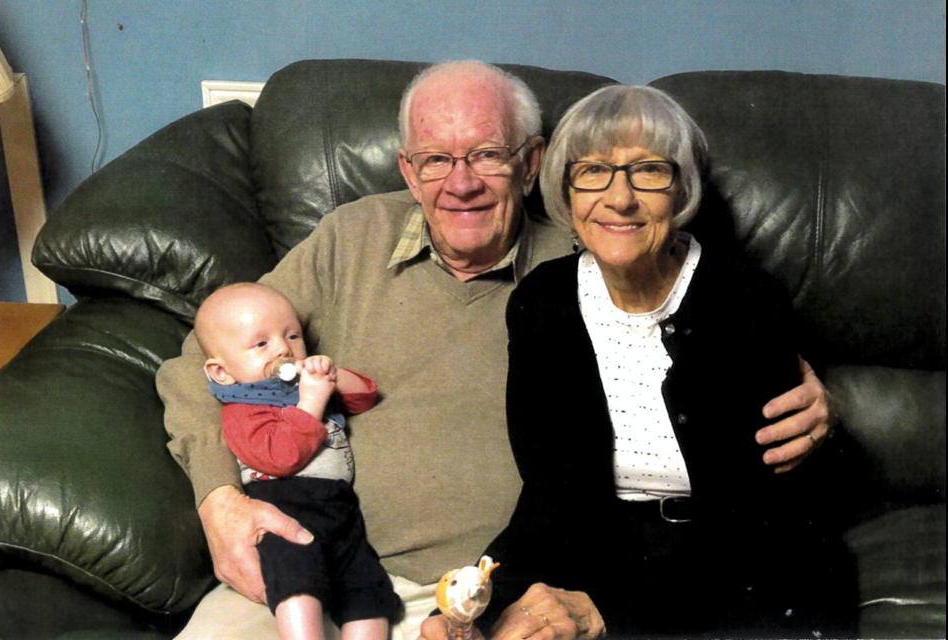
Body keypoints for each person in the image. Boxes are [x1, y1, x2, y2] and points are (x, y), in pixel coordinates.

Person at [156, 61, 837, 640]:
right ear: (406, 169)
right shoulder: (349, 239)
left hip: (489, 591)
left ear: (532, 163)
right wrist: (219, 498)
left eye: (486, 153)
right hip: (312, 564)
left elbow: (705, 346)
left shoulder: (587, 255)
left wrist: (804, 384)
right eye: (434, 159)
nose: (461, 182)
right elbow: (201, 361)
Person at [454, 84, 856, 639]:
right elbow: (550, 498)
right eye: (592, 171)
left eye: (648, 171)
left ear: (683, 189)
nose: (619, 199)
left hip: (742, 575)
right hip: (605, 558)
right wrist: (473, 606)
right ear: (566, 190)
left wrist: (609, 611)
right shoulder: (541, 305)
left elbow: (764, 523)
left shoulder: (747, 301)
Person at [194, 282, 400, 640]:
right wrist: (311, 403)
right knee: (296, 583)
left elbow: (366, 395)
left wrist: (331, 376)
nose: (283, 350)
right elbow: (281, 457)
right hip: (285, 509)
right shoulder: (243, 408)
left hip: (340, 510)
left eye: (292, 336)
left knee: (366, 588)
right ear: (222, 373)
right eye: (262, 344)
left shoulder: (309, 385)